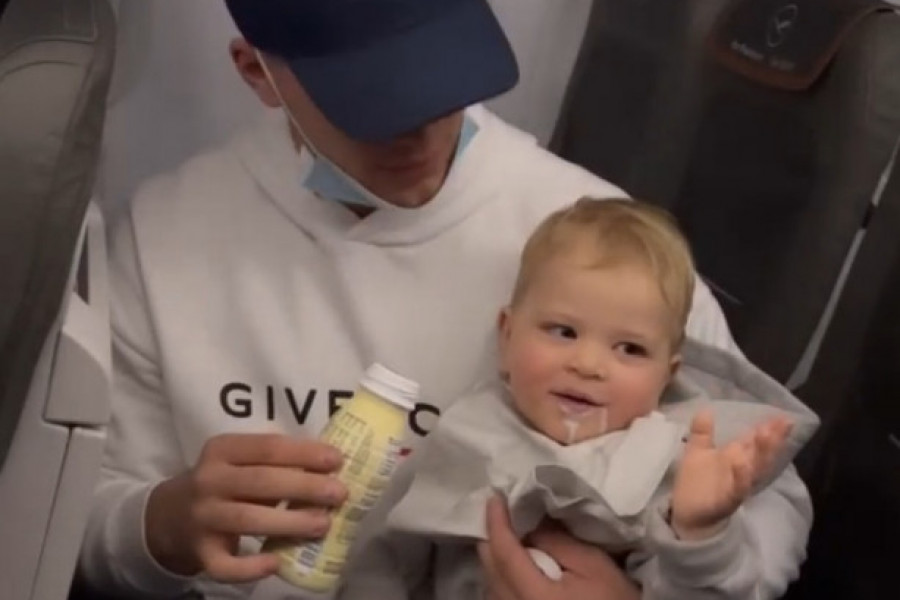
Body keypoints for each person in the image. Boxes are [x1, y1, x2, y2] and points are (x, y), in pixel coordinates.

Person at [77, 1, 814, 598]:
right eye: (371, 97)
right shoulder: (162, 237)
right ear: (257, 72)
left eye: (440, 77)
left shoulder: (601, 249)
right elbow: (71, 517)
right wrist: (160, 527)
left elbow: (768, 495)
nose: (418, 127)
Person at [336, 198, 819, 600]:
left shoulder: (669, 462)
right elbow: (390, 555)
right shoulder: (469, 431)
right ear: (507, 335)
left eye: (630, 349)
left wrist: (699, 534)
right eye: (563, 331)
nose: (588, 364)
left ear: (666, 377)